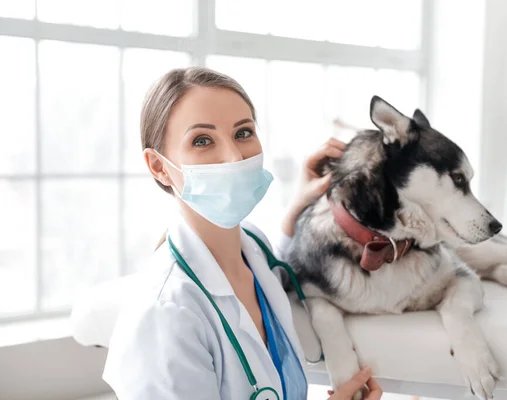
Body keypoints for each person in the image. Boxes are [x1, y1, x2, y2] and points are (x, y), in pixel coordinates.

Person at [102, 67, 382, 400]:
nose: (234, 156)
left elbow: (278, 262)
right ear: (159, 166)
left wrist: (300, 202)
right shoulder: (164, 315)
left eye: (243, 132)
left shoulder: (252, 248)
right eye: (202, 140)